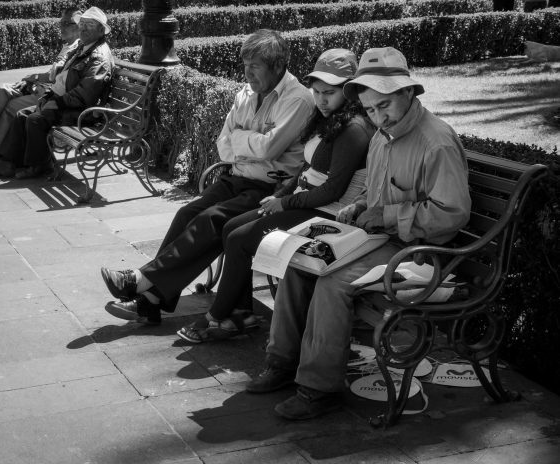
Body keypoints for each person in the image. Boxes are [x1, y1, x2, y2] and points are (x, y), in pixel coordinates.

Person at [245, 47, 472, 421]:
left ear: (407, 93)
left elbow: (450, 215)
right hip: (383, 239)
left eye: (384, 105)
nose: (377, 116)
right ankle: (282, 362)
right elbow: (381, 191)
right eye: (369, 109)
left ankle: (319, 388)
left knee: (333, 283)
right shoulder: (384, 135)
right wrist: (363, 204)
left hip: (422, 253)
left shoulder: (437, 142)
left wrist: (384, 214)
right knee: (300, 261)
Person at [100, 29, 315, 325]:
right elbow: (224, 146)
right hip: (236, 176)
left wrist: (243, 140)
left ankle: (142, 284)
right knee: (187, 213)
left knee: (212, 219)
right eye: (245, 65)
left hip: (270, 187)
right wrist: (252, 140)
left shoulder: (298, 99)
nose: (248, 73)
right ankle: (150, 297)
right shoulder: (246, 93)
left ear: (277, 66)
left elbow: (270, 148)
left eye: (255, 66)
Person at [176, 49, 375, 343]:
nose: (321, 99)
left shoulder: (353, 129)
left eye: (329, 93)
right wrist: (284, 191)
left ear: (349, 91)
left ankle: (217, 316)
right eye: (317, 91)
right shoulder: (328, 119)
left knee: (240, 239)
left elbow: (332, 190)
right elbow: (307, 167)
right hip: (304, 201)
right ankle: (241, 313)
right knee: (231, 227)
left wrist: (284, 202)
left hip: (328, 214)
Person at [0, 6, 114, 179]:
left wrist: (58, 102)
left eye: (90, 25)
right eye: (82, 23)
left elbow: (84, 95)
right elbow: (61, 78)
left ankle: (40, 165)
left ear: (101, 30)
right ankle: (8, 163)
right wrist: (49, 96)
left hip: (83, 113)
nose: (83, 28)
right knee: (22, 114)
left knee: (35, 119)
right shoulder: (85, 48)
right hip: (69, 104)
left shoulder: (99, 56)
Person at [0, 7, 82, 169]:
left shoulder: (76, 47)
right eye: (61, 22)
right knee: (4, 89)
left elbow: (56, 77)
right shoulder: (69, 45)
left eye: (66, 23)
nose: (61, 26)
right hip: (43, 89)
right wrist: (32, 81)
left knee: (9, 107)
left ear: (78, 27)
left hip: (50, 96)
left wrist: (34, 79)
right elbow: (55, 74)